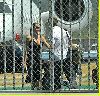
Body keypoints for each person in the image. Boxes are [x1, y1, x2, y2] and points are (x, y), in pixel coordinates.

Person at [25, 22, 50, 89]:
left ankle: (42, 83)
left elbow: (48, 46)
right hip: (31, 57)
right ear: (33, 28)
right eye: (37, 27)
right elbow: (26, 50)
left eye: (39, 27)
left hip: (39, 57)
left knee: (47, 70)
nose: (38, 29)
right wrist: (24, 60)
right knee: (34, 74)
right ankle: (34, 87)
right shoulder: (29, 38)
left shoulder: (42, 37)